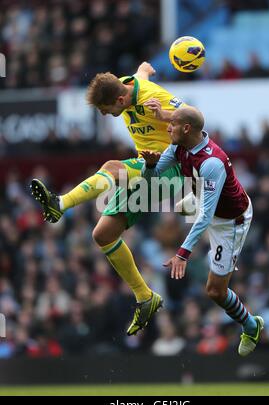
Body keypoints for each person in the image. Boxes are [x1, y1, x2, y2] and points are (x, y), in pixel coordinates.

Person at [30, 62, 186, 336]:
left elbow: (193, 119)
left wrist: (165, 114)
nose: (105, 114)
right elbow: (139, 75)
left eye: (106, 110)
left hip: (172, 169)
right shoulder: (128, 84)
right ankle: (145, 297)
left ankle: (60, 204)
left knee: (112, 167)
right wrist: (145, 69)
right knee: (103, 235)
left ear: (120, 100)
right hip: (147, 170)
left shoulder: (153, 96)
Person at [141, 106, 264, 356]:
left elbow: (206, 218)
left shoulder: (212, 163)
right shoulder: (179, 146)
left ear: (186, 129)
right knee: (182, 205)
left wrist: (182, 254)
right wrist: (149, 165)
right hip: (209, 201)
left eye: (172, 124)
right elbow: (150, 178)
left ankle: (251, 326)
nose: (168, 127)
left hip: (230, 221)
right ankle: (193, 199)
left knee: (214, 291)